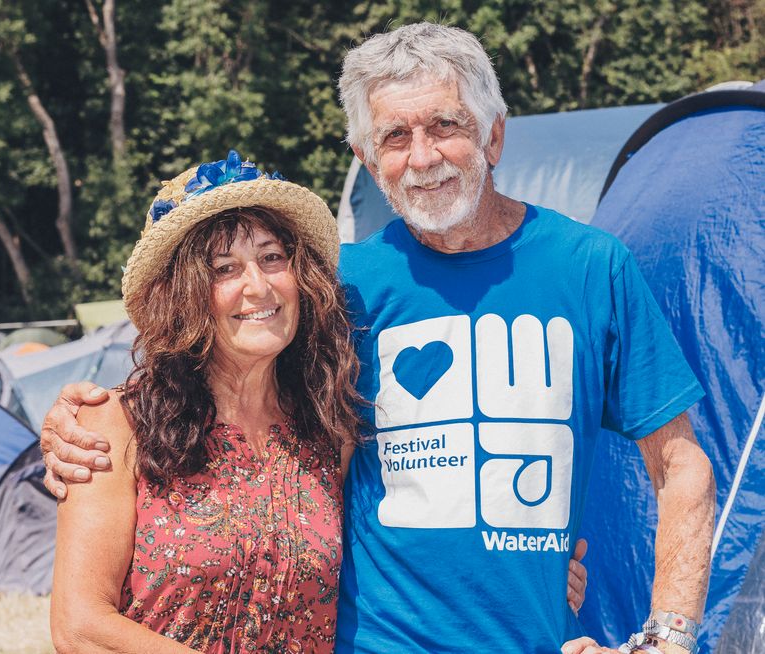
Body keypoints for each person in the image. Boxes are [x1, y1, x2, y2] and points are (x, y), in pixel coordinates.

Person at [42, 22, 708, 654]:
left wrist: (668, 636)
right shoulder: (341, 289)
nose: (422, 158)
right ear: (366, 157)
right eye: (394, 137)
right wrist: (69, 423)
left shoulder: (592, 268)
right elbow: (208, 379)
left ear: (495, 137)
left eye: (445, 126)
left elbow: (682, 466)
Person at [49, 151, 588, 653]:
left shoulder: (331, 429)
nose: (258, 286)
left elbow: (406, 536)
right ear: (182, 295)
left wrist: (532, 574)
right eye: (224, 269)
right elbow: (79, 626)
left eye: (272, 258)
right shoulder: (114, 424)